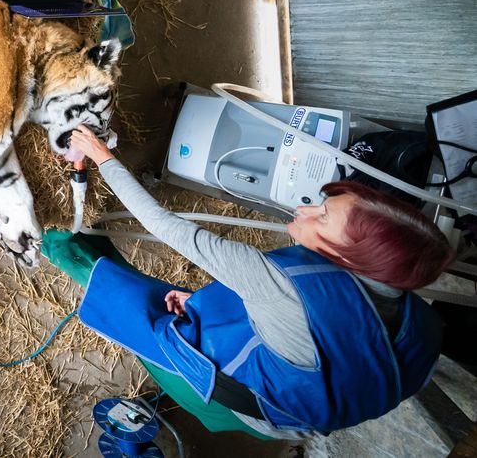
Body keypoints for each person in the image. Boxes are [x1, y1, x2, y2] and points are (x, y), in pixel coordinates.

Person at [42, 124, 456, 439]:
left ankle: (56, 243)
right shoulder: (419, 317)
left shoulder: (281, 285)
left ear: (352, 258)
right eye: (322, 205)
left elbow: (162, 225)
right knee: (202, 310)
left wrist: (101, 155)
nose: (304, 209)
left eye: (323, 217)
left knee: (133, 307)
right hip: (285, 416)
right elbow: (329, 341)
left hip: (234, 396)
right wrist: (219, 309)